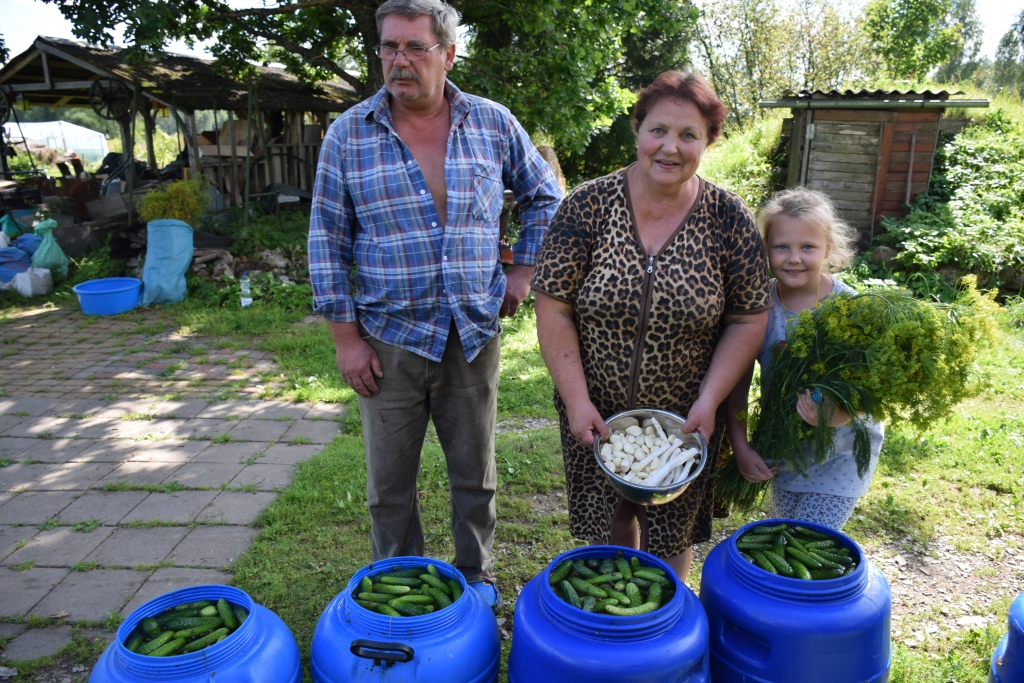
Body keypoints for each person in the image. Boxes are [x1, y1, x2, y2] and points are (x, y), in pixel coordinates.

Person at [307, 0, 563, 613]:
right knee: (388, 485)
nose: (399, 60)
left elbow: (545, 197)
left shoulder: (492, 123)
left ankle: (474, 577)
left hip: (472, 333)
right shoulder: (349, 133)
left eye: (415, 48)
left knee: (474, 474)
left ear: (448, 54)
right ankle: (403, 587)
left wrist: (522, 271)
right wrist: (346, 339)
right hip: (388, 338)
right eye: (389, 47)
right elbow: (326, 238)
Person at [532, 71, 771, 580]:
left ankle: (663, 615)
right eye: (658, 130)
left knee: (672, 528)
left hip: (685, 415)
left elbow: (750, 317)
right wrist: (576, 400)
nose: (671, 147)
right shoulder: (587, 206)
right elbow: (552, 305)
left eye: (689, 135)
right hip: (592, 404)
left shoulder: (729, 218)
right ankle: (621, 609)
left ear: (708, 141)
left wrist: (710, 401)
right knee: (610, 518)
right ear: (637, 130)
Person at [724, 188, 885, 530]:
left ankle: (816, 586)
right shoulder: (756, 307)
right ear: (764, 248)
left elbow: (871, 388)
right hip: (784, 451)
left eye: (807, 247)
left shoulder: (852, 309)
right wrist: (741, 446)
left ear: (828, 248)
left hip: (842, 454)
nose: (793, 258)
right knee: (781, 531)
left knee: (807, 539)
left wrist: (835, 414)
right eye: (782, 246)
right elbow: (735, 386)